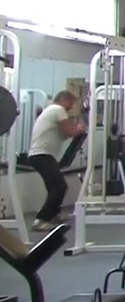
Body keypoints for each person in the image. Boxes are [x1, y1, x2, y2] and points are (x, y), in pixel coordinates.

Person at [27, 90, 86, 231]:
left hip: (42, 156)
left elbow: (65, 135)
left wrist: (77, 129)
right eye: (70, 103)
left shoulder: (51, 111)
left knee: (53, 187)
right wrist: (78, 129)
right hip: (42, 155)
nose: (70, 108)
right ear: (64, 99)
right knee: (60, 186)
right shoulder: (58, 109)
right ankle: (41, 220)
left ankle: (52, 215)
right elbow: (70, 132)